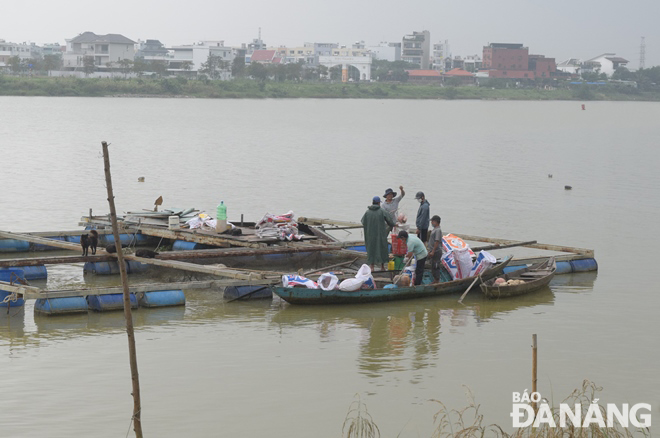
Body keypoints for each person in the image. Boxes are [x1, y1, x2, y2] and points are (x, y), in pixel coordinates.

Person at [361, 196, 395, 271]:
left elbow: (363, 221)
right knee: (382, 248)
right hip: (380, 234)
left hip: (370, 235)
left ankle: (372, 267)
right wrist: (393, 225)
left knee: (371, 249)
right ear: (379, 203)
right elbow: (390, 221)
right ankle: (382, 267)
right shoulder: (382, 211)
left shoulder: (367, 212)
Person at [427, 215, 444, 282]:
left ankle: (437, 280)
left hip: (436, 251)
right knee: (433, 266)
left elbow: (437, 241)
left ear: (436, 222)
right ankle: (435, 279)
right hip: (432, 250)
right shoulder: (435, 229)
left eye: (432, 221)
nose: (431, 223)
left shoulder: (438, 230)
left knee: (435, 266)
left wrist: (433, 251)